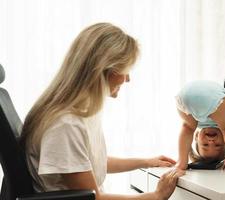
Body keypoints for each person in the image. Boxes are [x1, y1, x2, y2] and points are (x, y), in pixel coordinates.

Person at [20, 23, 184, 200]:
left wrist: (144, 162)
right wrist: (156, 196)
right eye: (125, 70)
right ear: (104, 71)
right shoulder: (66, 124)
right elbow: (94, 199)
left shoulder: (78, 112)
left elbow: (87, 164)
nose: (127, 79)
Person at [175, 80, 225, 172]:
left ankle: (181, 163)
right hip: (209, 97)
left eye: (205, 145)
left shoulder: (195, 120)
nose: (211, 141)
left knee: (187, 128)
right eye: (217, 145)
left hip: (183, 97)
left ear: (196, 137)